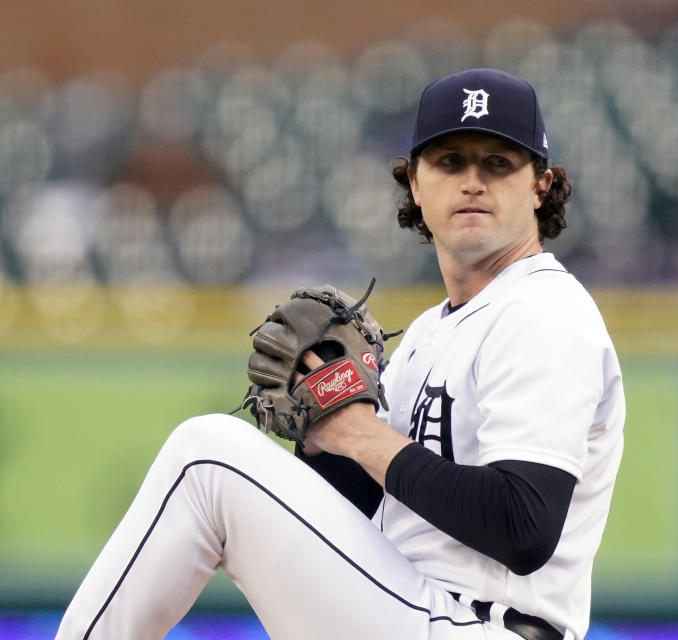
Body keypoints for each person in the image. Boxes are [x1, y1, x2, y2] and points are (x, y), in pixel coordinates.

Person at [56, 68, 625, 640]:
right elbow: (358, 512)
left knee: (207, 458)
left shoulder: (544, 310)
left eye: (498, 163)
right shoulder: (429, 334)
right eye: (450, 162)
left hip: (486, 626)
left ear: (540, 187)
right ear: (416, 186)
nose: (473, 181)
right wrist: (320, 432)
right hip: (410, 609)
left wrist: (356, 433)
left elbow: (523, 528)